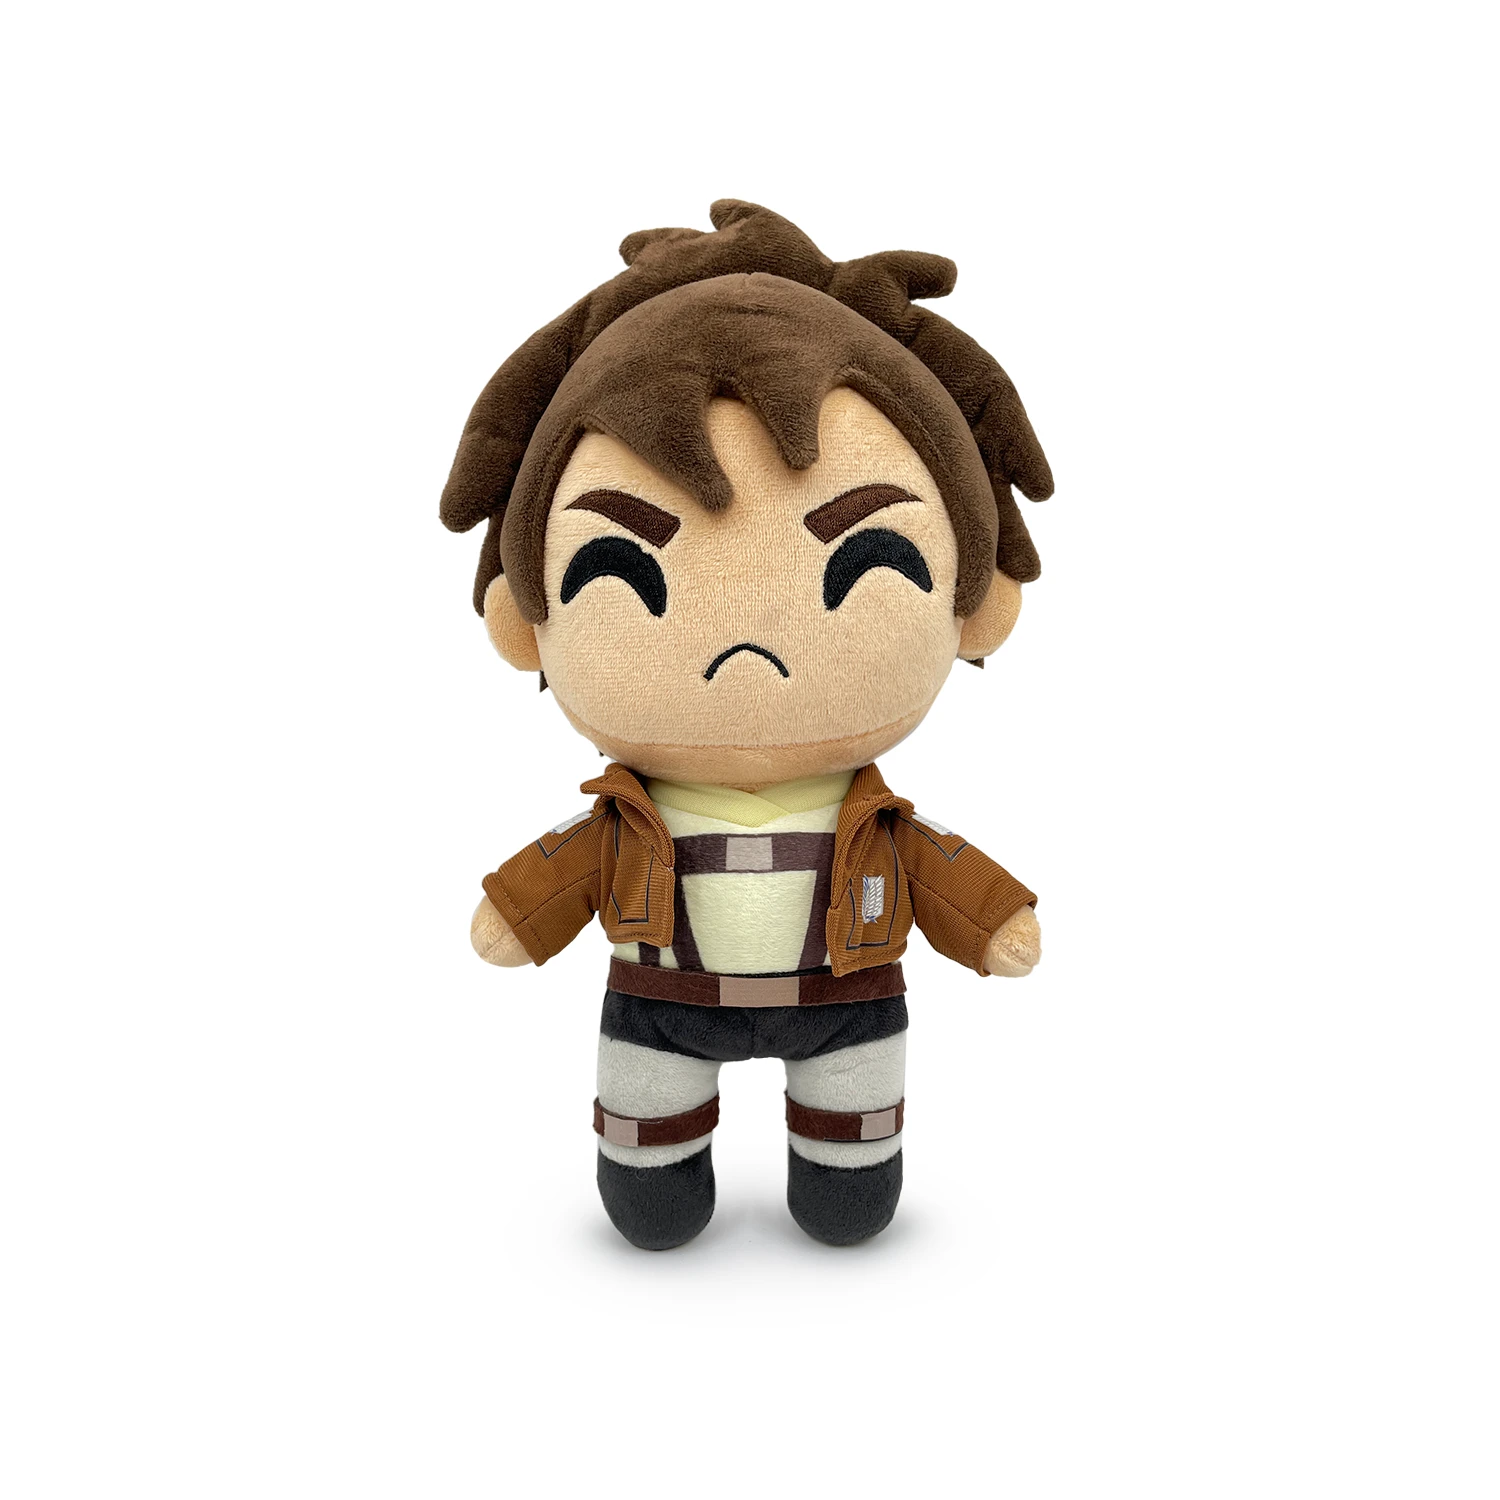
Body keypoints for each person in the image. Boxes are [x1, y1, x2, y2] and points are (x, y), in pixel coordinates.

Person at [441, 201, 1055, 1249]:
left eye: (869, 556)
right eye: (617, 566)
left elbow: (941, 869)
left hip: (847, 1000)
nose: (747, 643)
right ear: (523, 620)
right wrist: (519, 909)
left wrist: (992, 918)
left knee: (852, 1176)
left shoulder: (874, 825)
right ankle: (658, 1164)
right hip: (661, 1001)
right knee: (650, 1174)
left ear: (974, 603)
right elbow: (559, 872)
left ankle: (844, 1163)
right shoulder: (629, 819)